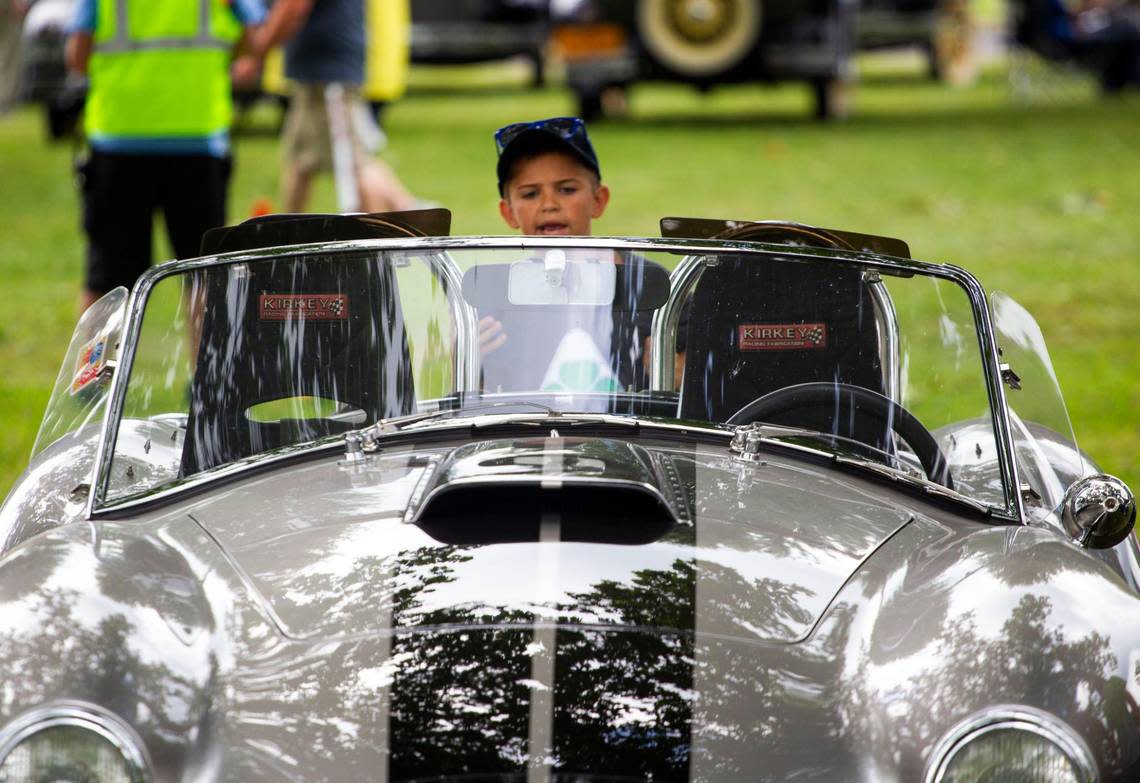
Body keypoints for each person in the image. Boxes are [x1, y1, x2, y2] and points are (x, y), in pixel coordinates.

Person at [66, 0, 265, 311]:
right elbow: (254, 39)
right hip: (197, 137)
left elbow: (77, 56)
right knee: (204, 279)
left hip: (119, 137)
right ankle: (207, 362)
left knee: (108, 283)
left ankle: (101, 362)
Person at [481, 116, 683, 396]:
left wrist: (676, 375)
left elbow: (691, 397)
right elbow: (474, 403)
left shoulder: (656, 290)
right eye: (530, 194)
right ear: (508, 212)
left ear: (598, 200)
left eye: (567, 190)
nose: (549, 205)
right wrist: (469, 356)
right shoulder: (491, 301)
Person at [231, 0, 414, 214]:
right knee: (300, 163)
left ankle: (404, 223)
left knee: (355, 165)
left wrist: (257, 53)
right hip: (316, 76)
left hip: (329, 76)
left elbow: (293, 6)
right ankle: (290, 237)